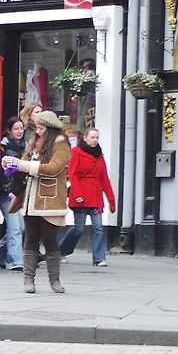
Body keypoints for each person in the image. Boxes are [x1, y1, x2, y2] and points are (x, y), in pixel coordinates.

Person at [2, 110, 70, 294]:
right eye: (37, 127)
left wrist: (21, 164)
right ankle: (28, 280)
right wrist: (11, 164)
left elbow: (53, 168)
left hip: (50, 200)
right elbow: (24, 163)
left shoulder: (61, 145)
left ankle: (54, 280)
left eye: (41, 128)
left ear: (50, 128)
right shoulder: (34, 143)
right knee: (30, 239)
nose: (37, 131)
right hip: (30, 199)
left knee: (49, 240)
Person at [58, 128, 115, 266]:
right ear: (84, 138)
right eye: (92, 137)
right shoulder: (76, 152)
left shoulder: (99, 155)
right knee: (79, 228)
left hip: (95, 197)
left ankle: (99, 258)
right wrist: (78, 194)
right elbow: (73, 174)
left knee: (98, 227)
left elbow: (104, 178)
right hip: (81, 196)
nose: (95, 140)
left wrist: (111, 199)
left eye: (97, 138)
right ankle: (59, 251)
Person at [2, 118, 26, 271]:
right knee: (15, 228)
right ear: (9, 130)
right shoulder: (3, 148)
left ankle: (2, 255)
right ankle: (15, 262)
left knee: (20, 228)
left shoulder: (25, 147)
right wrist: (7, 190)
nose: (20, 131)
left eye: (21, 128)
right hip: (6, 193)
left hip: (18, 192)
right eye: (16, 128)